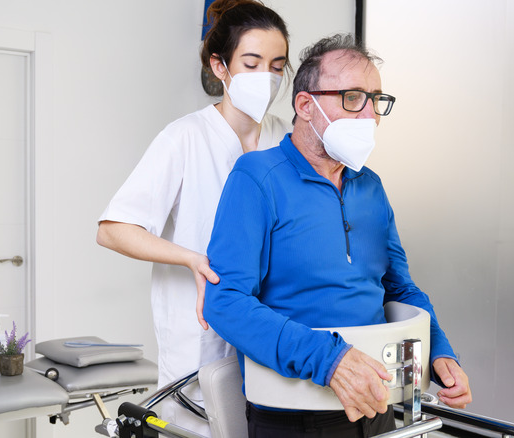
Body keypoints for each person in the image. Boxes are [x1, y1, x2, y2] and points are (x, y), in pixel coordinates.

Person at [204, 33, 472, 437]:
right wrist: (330, 360)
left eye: (376, 100)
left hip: (376, 404)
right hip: (297, 414)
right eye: (352, 98)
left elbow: (399, 288)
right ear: (305, 105)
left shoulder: (371, 187)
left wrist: (440, 351)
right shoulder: (257, 179)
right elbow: (224, 303)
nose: (369, 115)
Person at [96, 0, 291, 432]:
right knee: (200, 424)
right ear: (220, 66)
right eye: (252, 63)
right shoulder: (184, 138)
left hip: (272, 326)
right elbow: (113, 230)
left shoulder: (287, 139)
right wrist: (191, 258)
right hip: (199, 332)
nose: (268, 78)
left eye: (277, 66)